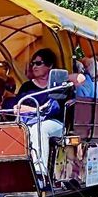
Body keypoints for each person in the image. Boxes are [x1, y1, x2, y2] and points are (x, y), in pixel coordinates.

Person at [14, 48, 66, 183]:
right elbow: (17, 108)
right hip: (29, 122)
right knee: (18, 129)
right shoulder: (26, 87)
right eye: (32, 64)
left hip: (56, 123)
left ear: (50, 66)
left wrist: (29, 109)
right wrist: (35, 110)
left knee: (40, 128)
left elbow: (53, 109)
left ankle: (40, 172)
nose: (34, 67)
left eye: (38, 63)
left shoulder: (57, 85)